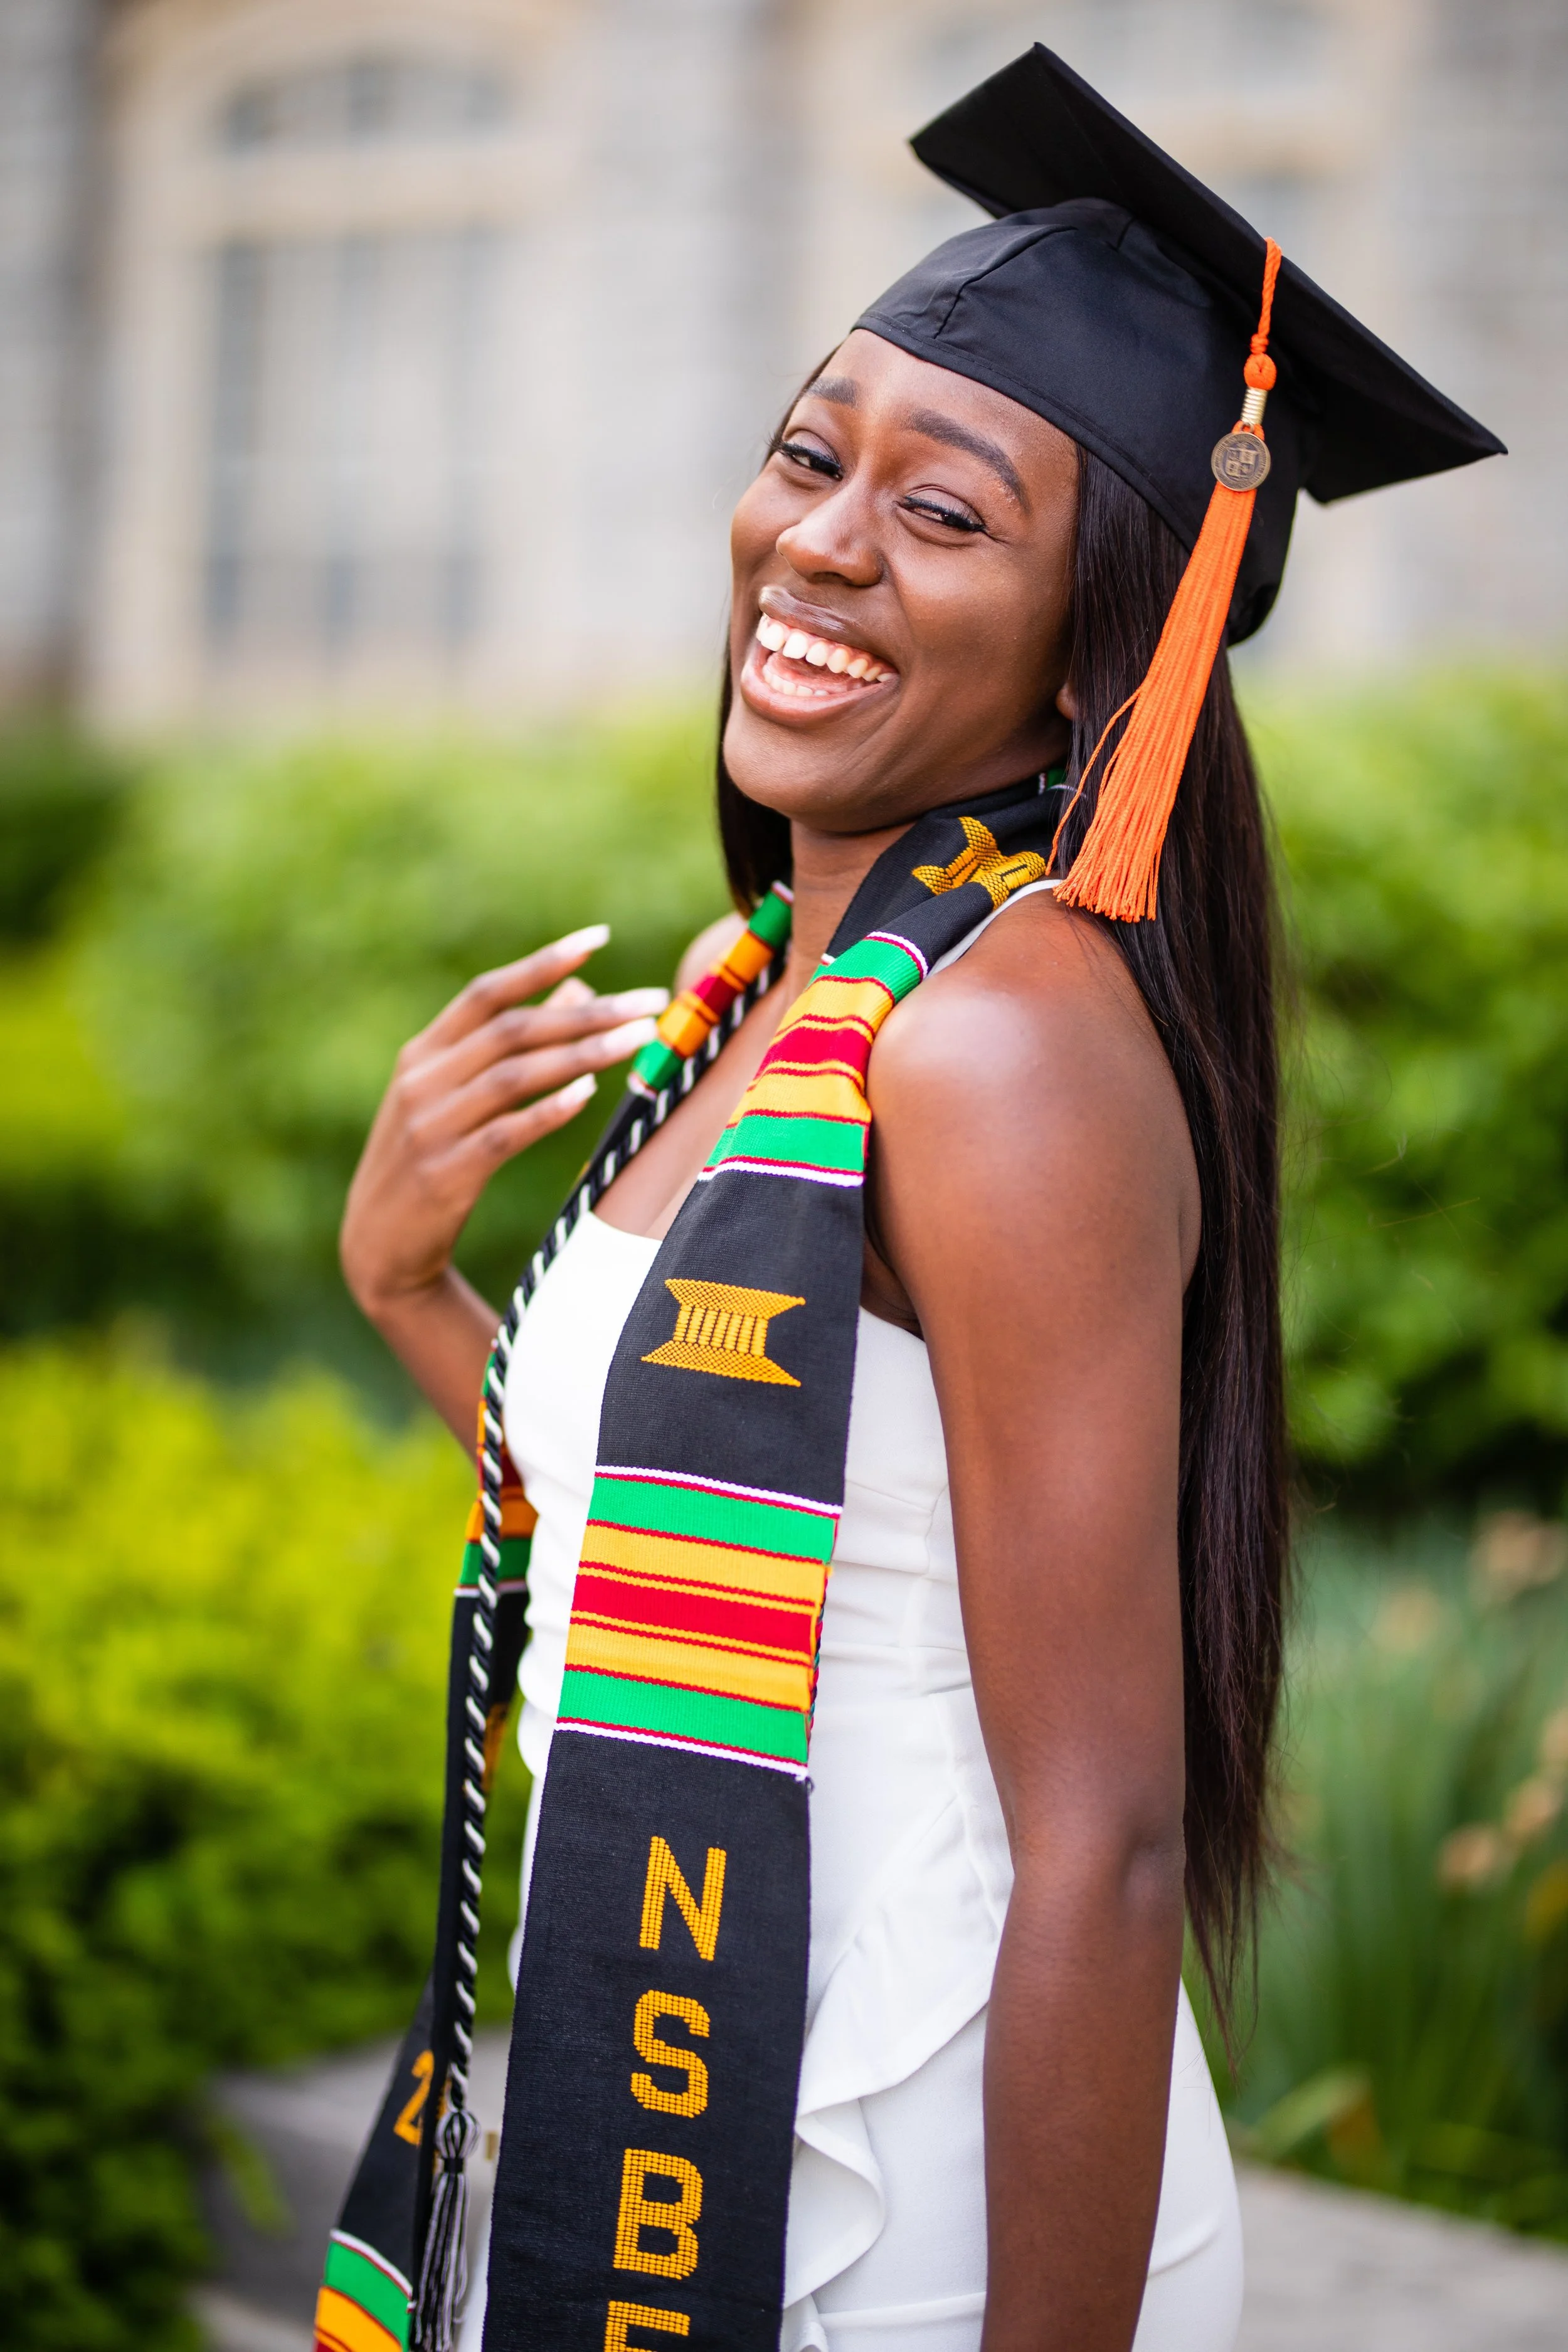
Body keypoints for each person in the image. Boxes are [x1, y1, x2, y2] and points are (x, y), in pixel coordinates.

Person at [327, 45, 1500, 2352]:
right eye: (804, 453)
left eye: (944, 511)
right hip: (655, 2059)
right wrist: (405, 1287)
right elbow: (693, 1536)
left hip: (918, 2162)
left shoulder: (999, 1043)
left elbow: (1104, 1839)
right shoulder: (778, 990)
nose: (820, 541)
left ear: (1100, 653)